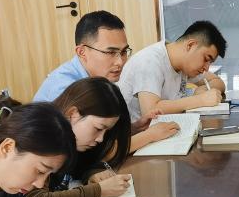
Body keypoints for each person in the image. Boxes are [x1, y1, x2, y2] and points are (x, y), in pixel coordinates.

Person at [33, 10, 179, 151]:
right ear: (82, 52)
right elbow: (93, 154)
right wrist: (149, 136)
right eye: (110, 52)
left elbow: (101, 137)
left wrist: (136, 127)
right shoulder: (65, 88)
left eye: (123, 52)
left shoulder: (99, 78)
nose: (120, 62)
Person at [23, 78, 134, 197]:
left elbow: (80, 165)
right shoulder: (41, 136)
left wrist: (92, 173)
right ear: (73, 114)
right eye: (98, 128)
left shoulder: (71, 141)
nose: (101, 139)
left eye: (106, 132)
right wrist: (98, 191)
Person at [118, 20, 228, 123]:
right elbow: (151, 111)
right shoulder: (150, 61)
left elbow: (218, 82)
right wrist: (200, 100)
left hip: (166, 129)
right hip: (139, 134)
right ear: (190, 45)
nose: (207, 68)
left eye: (210, 62)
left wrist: (203, 90)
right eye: (206, 59)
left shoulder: (183, 65)